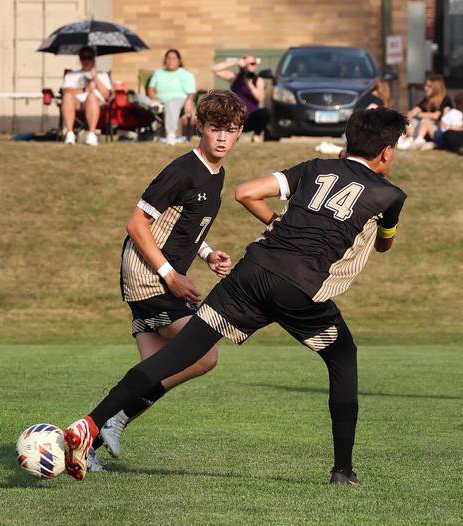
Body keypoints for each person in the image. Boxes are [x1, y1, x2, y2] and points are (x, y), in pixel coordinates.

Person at [62, 107, 408, 486]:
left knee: (178, 355)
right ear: (387, 153)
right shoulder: (389, 195)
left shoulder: (314, 168)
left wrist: (278, 223)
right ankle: (343, 470)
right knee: (342, 357)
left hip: (251, 274)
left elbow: (246, 193)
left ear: (348, 141)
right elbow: (385, 245)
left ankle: (91, 423)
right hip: (301, 291)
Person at [89, 91, 245, 471]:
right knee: (204, 352)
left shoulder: (216, 173)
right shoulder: (181, 170)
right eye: (214, 129)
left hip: (163, 275)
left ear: (241, 132)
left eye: (231, 130)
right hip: (147, 276)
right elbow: (137, 224)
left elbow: (182, 227)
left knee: (154, 370)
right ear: (200, 128)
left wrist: (207, 254)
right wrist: (170, 274)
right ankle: (108, 420)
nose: (222, 138)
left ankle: (87, 441)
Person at [137, 49, 197, 144]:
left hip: (178, 100)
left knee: (171, 103)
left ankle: (171, 135)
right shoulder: (158, 73)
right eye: (168, 58)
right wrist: (154, 99)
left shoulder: (186, 74)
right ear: (165, 60)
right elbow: (151, 89)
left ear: (179, 61)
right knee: (138, 97)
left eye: (173, 58)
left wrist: (189, 101)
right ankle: (156, 106)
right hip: (158, 101)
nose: (170, 61)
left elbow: (191, 93)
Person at [61, 46, 112, 146]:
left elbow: (107, 95)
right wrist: (85, 89)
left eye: (89, 58)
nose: (86, 60)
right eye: (83, 58)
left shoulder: (102, 75)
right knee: (67, 96)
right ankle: (70, 134)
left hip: (97, 105)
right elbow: (65, 91)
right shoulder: (71, 75)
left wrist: (96, 78)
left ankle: (91, 135)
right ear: (80, 59)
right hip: (77, 105)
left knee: (91, 97)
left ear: (93, 59)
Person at [212, 55, 270, 142]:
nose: (249, 66)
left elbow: (260, 98)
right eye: (247, 63)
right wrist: (235, 62)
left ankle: (256, 135)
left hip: (251, 118)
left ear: (255, 65)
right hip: (235, 118)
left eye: (252, 63)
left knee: (265, 112)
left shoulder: (258, 80)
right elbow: (214, 69)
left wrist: (250, 85)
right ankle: (233, 135)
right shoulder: (234, 77)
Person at [398, 75, 452, 149]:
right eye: (426, 85)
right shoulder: (427, 100)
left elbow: (435, 116)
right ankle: (406, 138)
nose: (425, 88)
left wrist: (417, 114)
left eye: (429, 86)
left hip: (437, 129)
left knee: (424, 121)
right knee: (409, 119)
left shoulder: (445, 99)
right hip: (422, 128)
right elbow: (414, 111)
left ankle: (414, 140)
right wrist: (410, 116)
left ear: (436, 88)